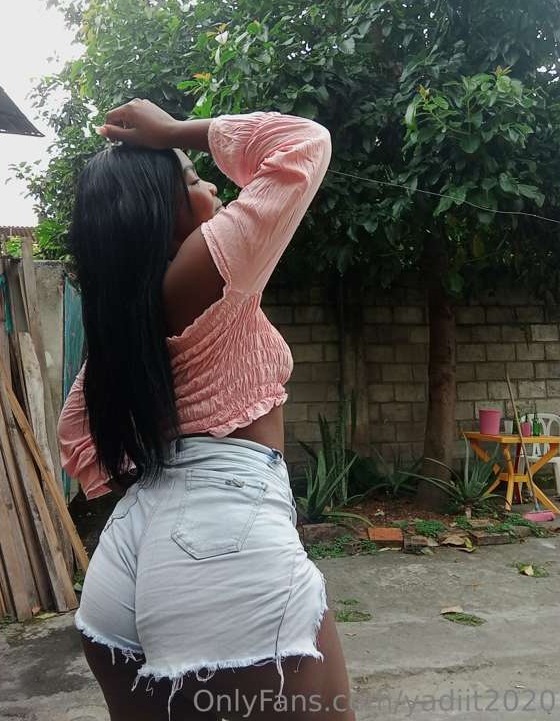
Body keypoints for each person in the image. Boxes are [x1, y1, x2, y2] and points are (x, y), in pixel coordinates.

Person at [57, 99, 354, 721]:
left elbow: (77, 435)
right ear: (160, 213)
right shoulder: (203, 268)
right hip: (222, 535)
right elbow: (303, 143)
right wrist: (174, 132)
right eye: (194, 180)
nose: (213, 186)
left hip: (129, 549)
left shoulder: (122, 317)